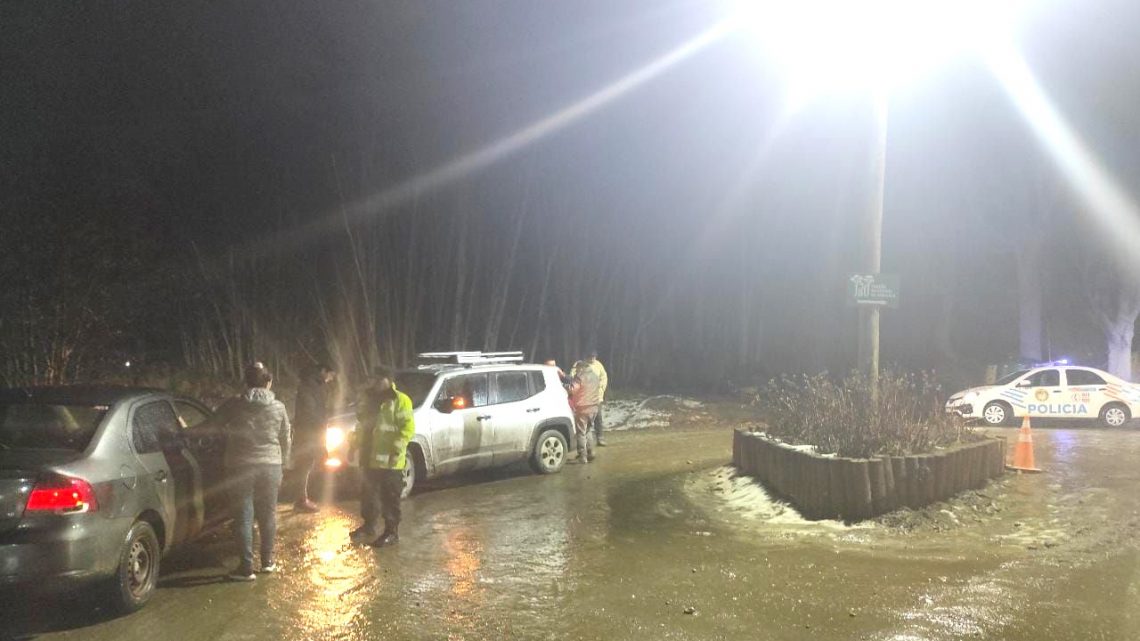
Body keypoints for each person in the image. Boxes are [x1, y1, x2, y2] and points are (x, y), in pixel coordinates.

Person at [219, 362, 291, 581]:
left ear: (246, 382)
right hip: (270, 466)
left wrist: (183, 429)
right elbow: (285, 437)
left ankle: (246, 568)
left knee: (243, 517)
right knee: (268, 515)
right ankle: (267, 562)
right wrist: (284, 464)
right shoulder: (279, 407)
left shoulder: (234, 405)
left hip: (240, 466)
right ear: (268, 382)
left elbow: (212, 425)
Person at [349, 367, 415, 547]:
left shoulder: (400, 400)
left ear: (388, 380)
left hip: (389, 460)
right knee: (368, 494)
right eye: (373, 379)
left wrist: (397, 449)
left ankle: (391, 532)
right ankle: (369, 525)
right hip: (368, 455)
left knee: (389, 496)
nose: (375, 382)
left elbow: (407, 428)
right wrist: (353, 445)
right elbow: (362, 426)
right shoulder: (369, 399)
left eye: (379, 379)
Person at [292, 362, 336, 513]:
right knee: (304, 465)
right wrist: (320, 431)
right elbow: (311, 411)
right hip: (309, 433)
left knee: (306, 465)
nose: (331, 379)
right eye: (331, 375)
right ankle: (301, 500)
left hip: (309, 431)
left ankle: (302, 498)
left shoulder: (313, 384)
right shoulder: (310, 386)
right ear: (324, 371)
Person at [568, 360, 602, 463]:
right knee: (588, 430)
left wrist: (567, 386)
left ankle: (582, 456)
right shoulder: (595, 376)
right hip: (594, 407)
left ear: (581, 368)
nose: (576, 371)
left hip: (582, 408)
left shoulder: (580, 377)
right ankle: (591, 452)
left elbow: (572, 390)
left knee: (581, 432)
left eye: (577, 369)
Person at [585, 351, 609, 445]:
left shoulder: (598, 365)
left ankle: (600, 438)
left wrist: (602, 387)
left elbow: (604, 377)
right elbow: (574, 376)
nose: (592, 359)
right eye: (590, 357)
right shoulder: (581, 365)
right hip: (585, 397)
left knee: (598, 418)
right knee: (586, 419)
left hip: (597, 396)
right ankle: (585, 440)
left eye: (594, 357)